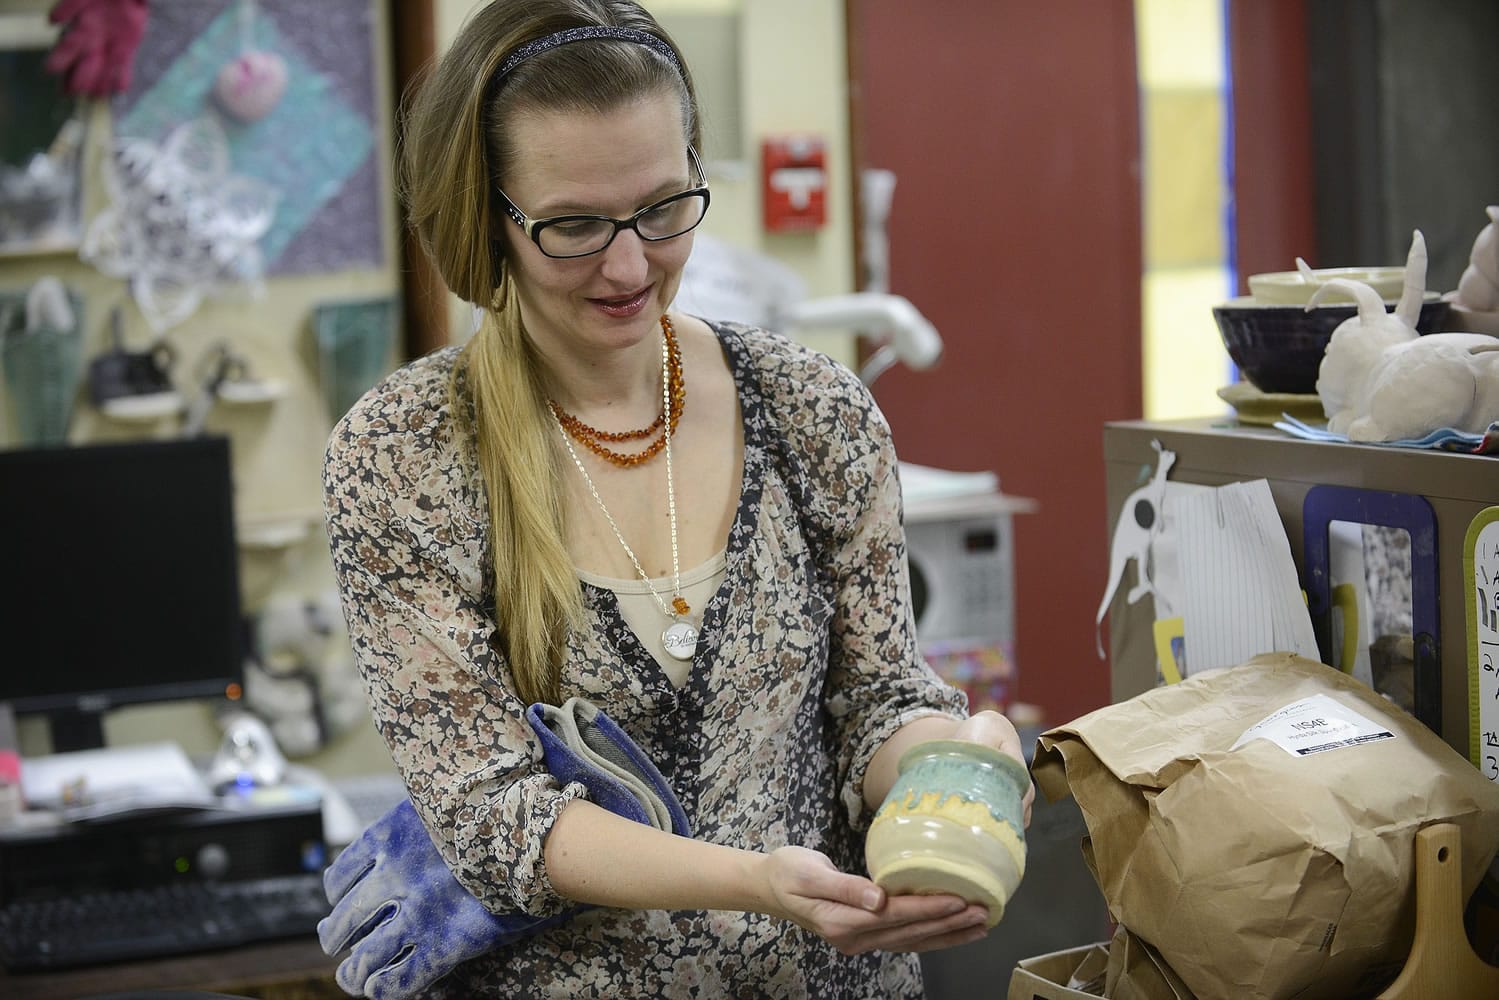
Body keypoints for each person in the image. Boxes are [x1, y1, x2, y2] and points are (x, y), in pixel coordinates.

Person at [321, 1, 1034, 995]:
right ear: (483, 217)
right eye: (573, 225)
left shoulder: (811, 410)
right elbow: (497, 820)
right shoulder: (406, 453)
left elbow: (877, 703)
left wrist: (951, 765)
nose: (628, 266)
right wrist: (760, 883)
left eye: (662, 208)